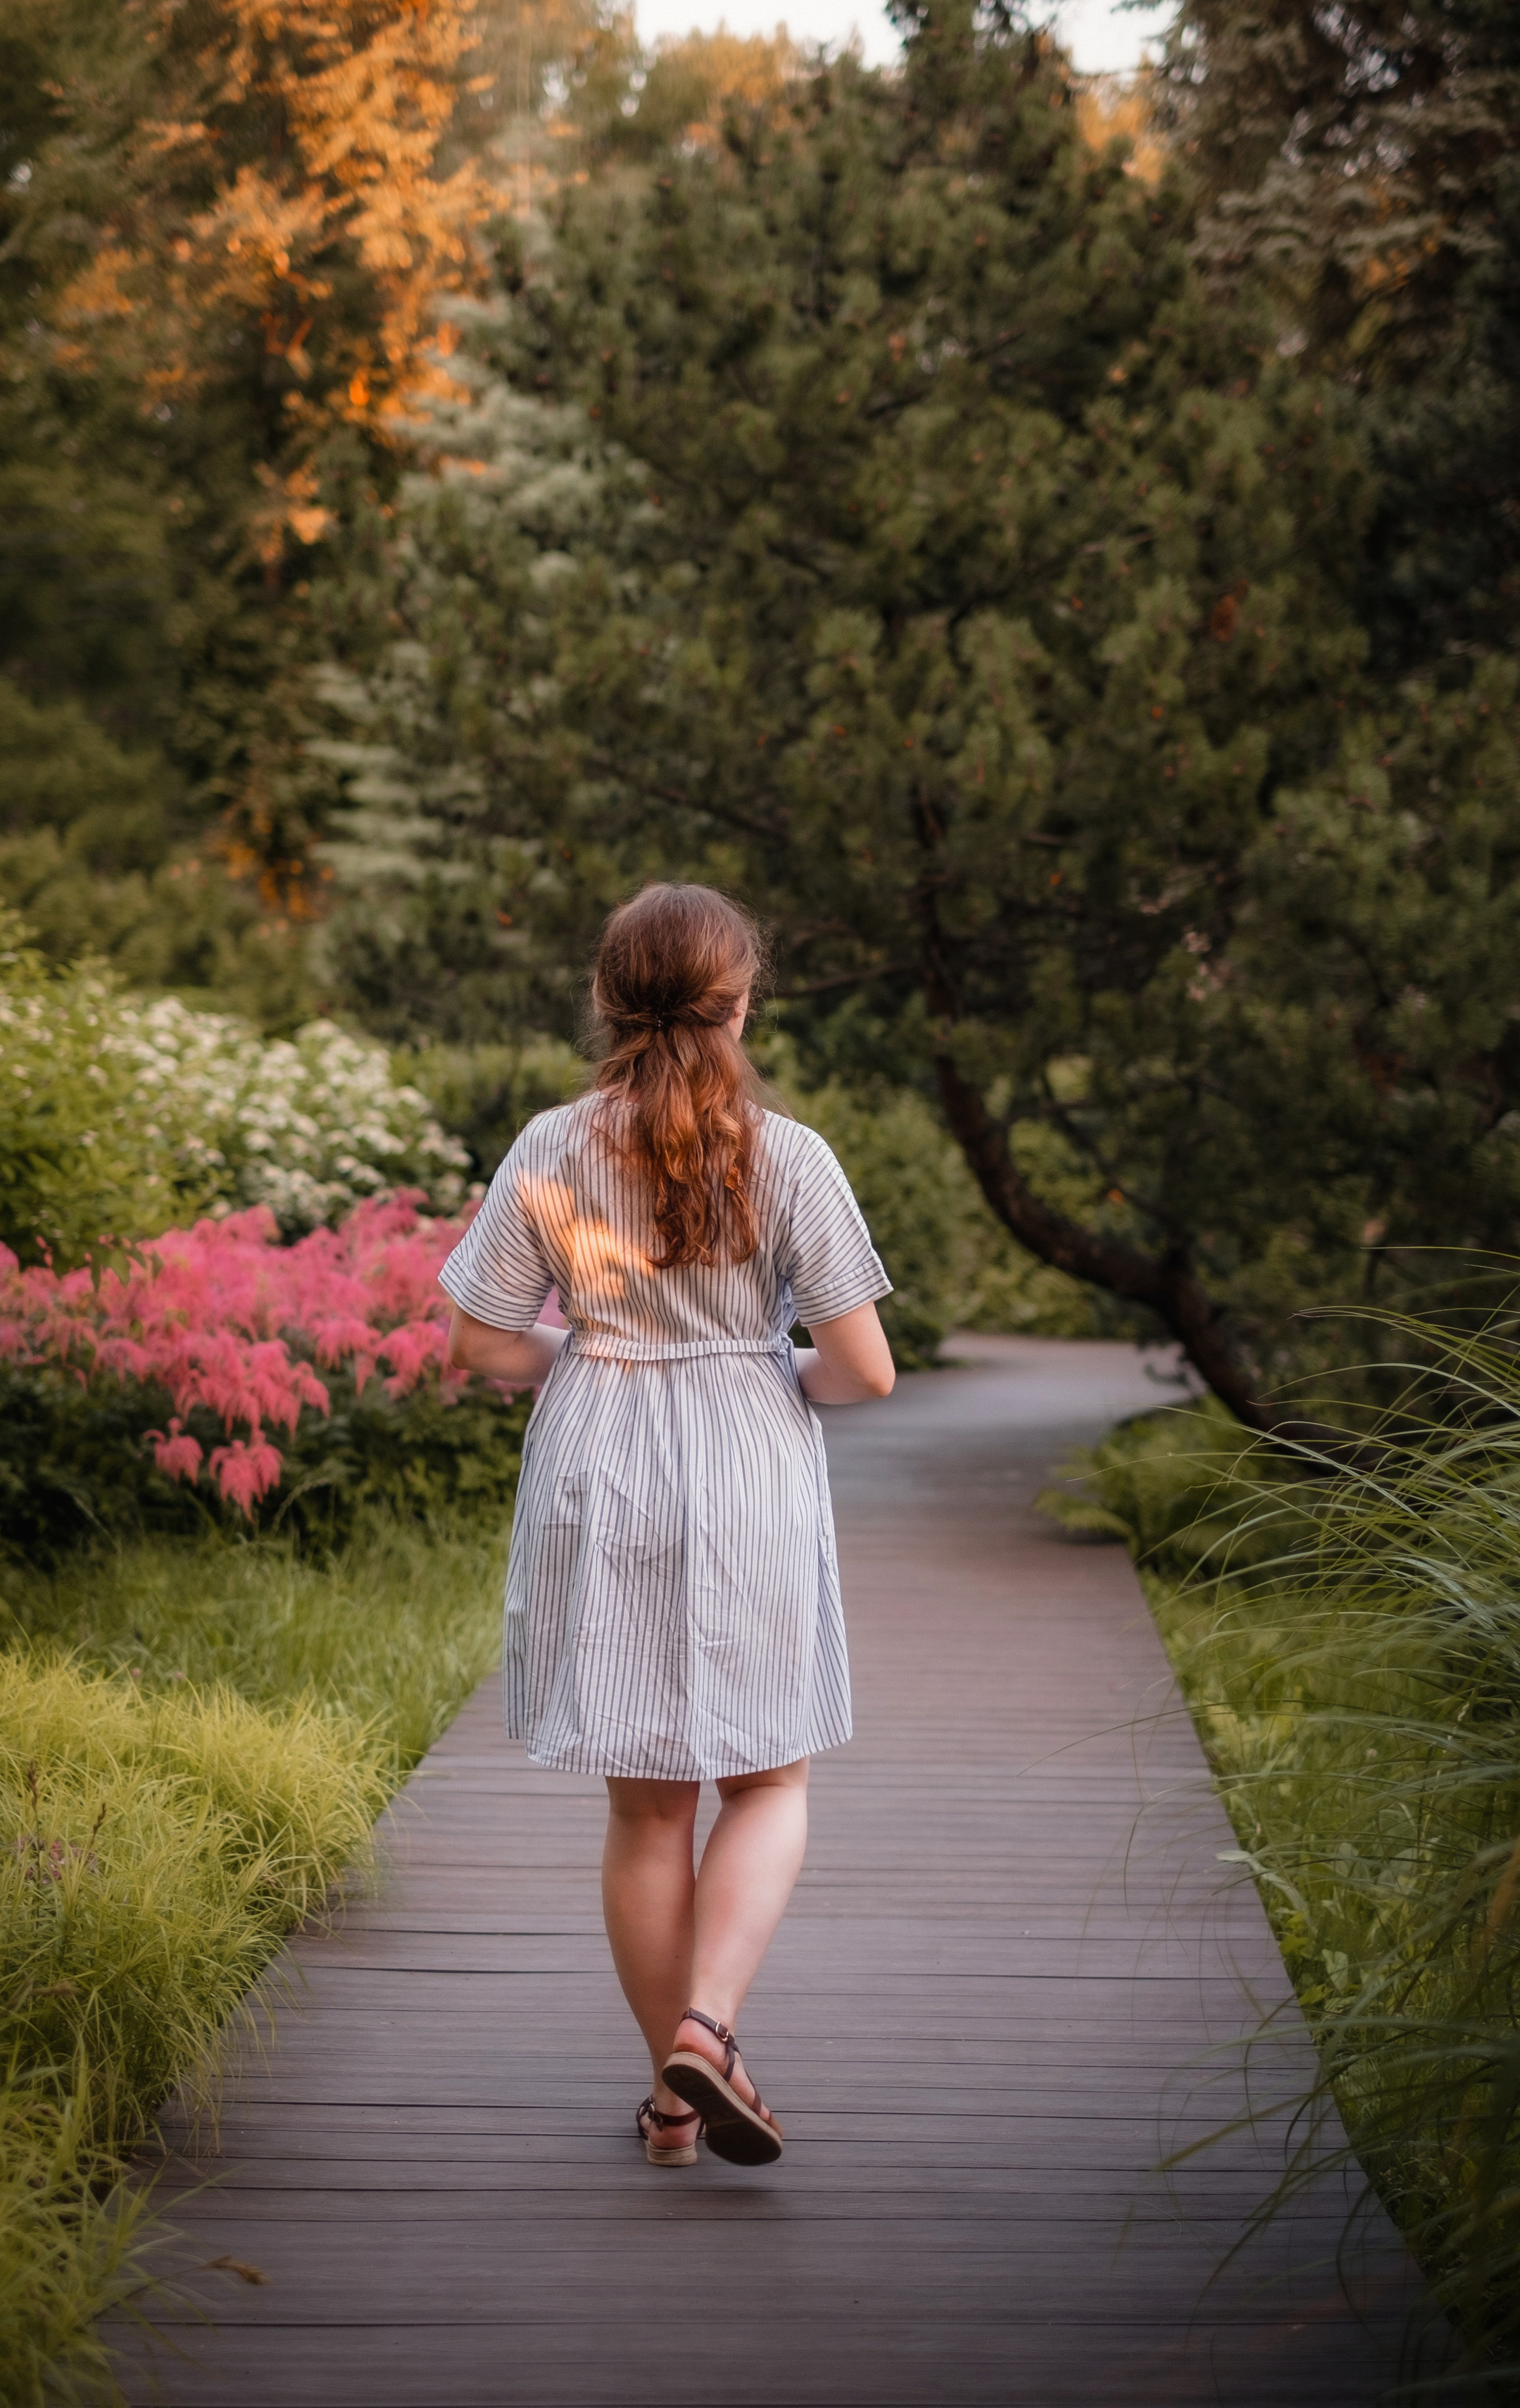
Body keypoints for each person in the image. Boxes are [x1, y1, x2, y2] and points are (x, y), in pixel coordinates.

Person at [439, 882, 895, 2168]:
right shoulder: (789, 1154)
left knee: (647, 1809)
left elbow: (480, 1343)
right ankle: (713, 2023)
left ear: (606, 1000)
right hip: (748, 1455)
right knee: (769, 1774)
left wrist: (591, 1360)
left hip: (603, 1454)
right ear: (742, 1002)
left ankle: (673, 2100)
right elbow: (865, 1370)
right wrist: (767, 1380)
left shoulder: (549, 1145)